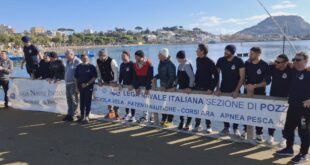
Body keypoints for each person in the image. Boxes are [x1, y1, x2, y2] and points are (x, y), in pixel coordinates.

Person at [276, 52, 310, 164]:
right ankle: (289, 149)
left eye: (299, 60)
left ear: (306, 61)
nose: (296, 61)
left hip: (305, 111)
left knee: (304, 132)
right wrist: (273, 62)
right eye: (294, 59)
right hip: (292, 107)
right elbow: (286, 63)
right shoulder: (293, 70)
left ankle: (303, 154)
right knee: (288, 129)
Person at [215, 45, 245, 137]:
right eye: (225, 50)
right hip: (223, 90)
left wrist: (236, 90)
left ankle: (235, 128)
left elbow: (242, 77)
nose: (225, 52)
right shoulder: (221, 60)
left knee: (236, 111)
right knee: (224, 109)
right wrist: (218, 88)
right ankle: (226, 127)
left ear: (232, 52)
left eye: (227, 51)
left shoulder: (239, 61)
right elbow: (217, 75)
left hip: (235, 90)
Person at [243, 47, 271, 143]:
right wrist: (246, 86)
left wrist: (255, 86)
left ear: (258, 54)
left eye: (252, 54)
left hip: (259, 93)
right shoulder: (247, 63)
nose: (250, 55)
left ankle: (259, 133)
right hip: (247, 92)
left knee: (259, 114)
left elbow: (268, 81)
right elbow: (242, 77)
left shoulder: (264, 65)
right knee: (246, 112)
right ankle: (245, 131)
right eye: (249, 53)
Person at [192, 44, 219, 134]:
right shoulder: (197, 59)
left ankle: (209, 126)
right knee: (197, 108)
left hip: (207, 89)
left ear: (202, 51)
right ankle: (197, 125)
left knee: (207, 108)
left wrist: (211, 89)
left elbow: (216, 76)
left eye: (197, 50)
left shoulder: (210, 61)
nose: (196, 51)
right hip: (198, 88)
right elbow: (198, 72)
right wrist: (193, 85)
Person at [267, 54, 292, 146]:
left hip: (286, 98)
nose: (276, 63)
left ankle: (284, 138)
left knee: (285, 119)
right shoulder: (273, 67)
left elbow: (301, 69)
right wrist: (272, 61)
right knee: (272, 117)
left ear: (285, 63)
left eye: (278, 62)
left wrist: (291, 64)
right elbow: (266, 63)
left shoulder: (290, 69)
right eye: (276, 61)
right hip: (273, 97)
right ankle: (270, 136)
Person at [154, 48, 176, 128]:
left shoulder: (171, 65)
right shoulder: (161, 63)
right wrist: (155, 77)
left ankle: (170, 121)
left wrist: (166, 88)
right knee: (163, 104)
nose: (158, 55)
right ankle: (164, 118)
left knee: (169, 105)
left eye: (159, 54)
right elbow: (160, 74)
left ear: (163, 55)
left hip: (169, 88)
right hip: (163, 87)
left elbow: (172, 77)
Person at [132, 50, 154, 123]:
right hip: (141, 86)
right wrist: (136, 87)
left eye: (136, 57)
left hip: (148, 86)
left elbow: (150, 77)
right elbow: (135, 76)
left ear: (141, 57)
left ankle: (152, 117)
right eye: (135, 56)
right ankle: (145, 116)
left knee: (151, 101)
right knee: (144, 101)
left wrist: (148, 88)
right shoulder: (135, 65)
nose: (135, 58)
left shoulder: (149, 64)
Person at [96, 49, 119, 119]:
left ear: (105, 55)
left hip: (113, 82)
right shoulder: (98, 61)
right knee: (108, 98)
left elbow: (116, 71)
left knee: (115, 98)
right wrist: (99, 79)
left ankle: (117, 113)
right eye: (99, 56)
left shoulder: (112, 60)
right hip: (105, 81)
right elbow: (98, 71)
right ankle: (111, 112)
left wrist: (115, 81)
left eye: (101, 56)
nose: (100, 57)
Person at [75, 54, 97, 124]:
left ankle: (87, 116)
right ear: (81, 59)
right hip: (81, 87)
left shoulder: (92, 67)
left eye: (86, 58)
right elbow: (76, 78)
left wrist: (87, 84)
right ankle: (82, 116)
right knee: (81, 101)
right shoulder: (78, 67)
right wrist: (76, 87)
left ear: (88, 58)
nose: (85, 59)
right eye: (84, 58)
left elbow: (94, 77)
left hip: (89, 87)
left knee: (88, 102)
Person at [175, 50, 195, 130]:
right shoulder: (180, 65)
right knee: (181, 106)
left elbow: (192, 77)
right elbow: (177, 77)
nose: (177, 60)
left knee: (188, 107)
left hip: (187, 90)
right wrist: (175, 85)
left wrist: (190, 87)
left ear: (180, 58)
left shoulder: (187, 65)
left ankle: (188, 123)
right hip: (181, 89)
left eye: (177, 58)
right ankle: (182, 121)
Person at [63, 49, 82, 122]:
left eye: (66, 55)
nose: (65, 56)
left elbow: (79, 74)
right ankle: (69, 114)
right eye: (65, 54)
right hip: (67, 83)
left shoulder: (77, 61)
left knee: (74, 100)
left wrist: (77, 86)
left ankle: (74, 115)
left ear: (71, 54)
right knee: (69, 100)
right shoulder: (68, 61)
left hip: (74, 84)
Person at [119, 51, 136, 122]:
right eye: (122, 56)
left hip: (131, 86)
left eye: (124, 56)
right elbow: (121, 75)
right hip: (125, 86)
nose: (122, 57)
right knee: (126, 101)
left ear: (128, 56)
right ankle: (127, 114)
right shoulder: (122, 65)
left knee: (132, 101)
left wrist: (132, 85)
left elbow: (135, 76)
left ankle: (133, 116)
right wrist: (119, 83)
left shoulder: (132, 64)